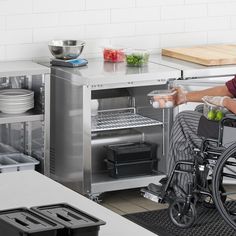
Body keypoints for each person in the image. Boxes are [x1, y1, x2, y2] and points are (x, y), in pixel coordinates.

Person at [149, 76, 236, 197]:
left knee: (183, 120)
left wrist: (226, 102)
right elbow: (229, 90)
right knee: (201, 110)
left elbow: (227, 96)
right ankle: (194, 185)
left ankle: (180, 189)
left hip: (232, 135)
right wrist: (185, 97)